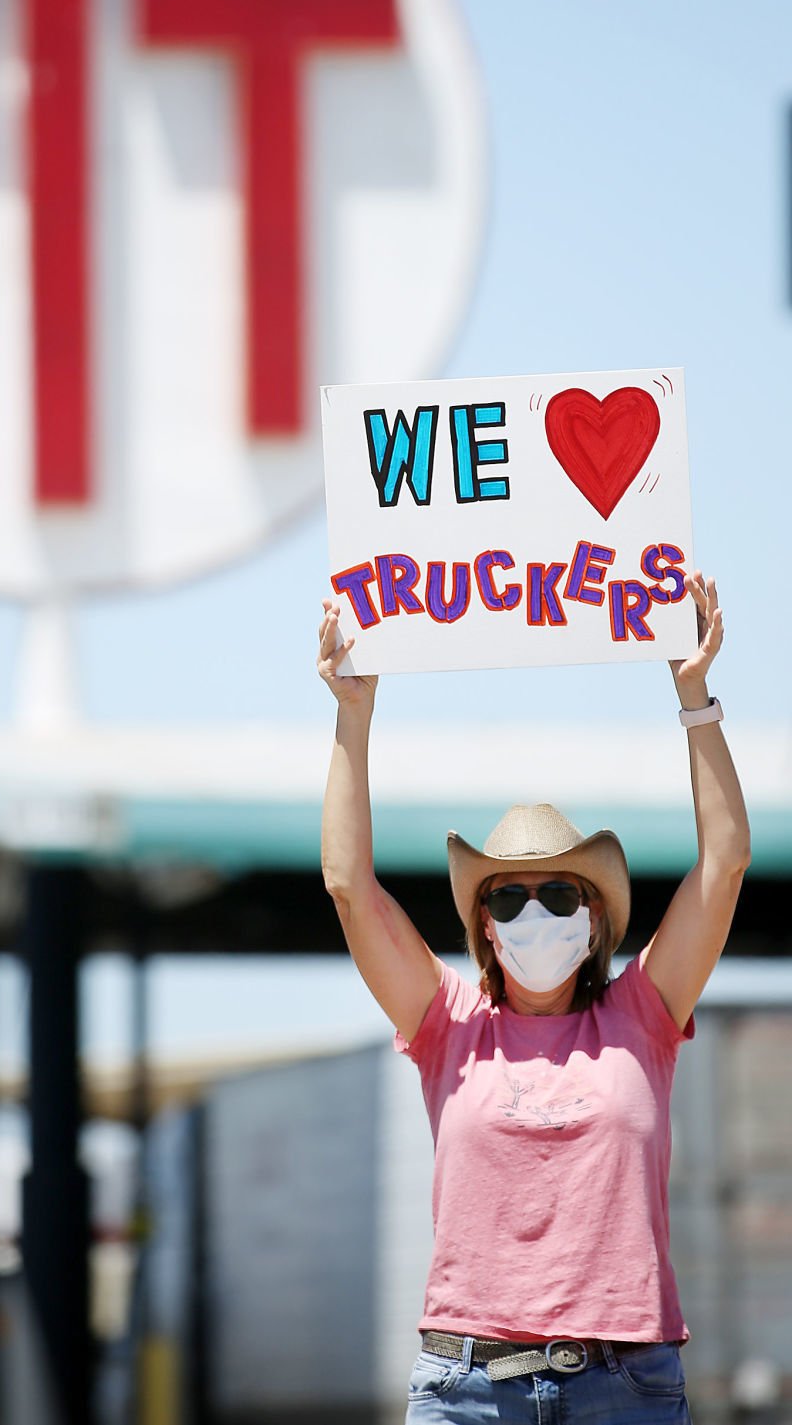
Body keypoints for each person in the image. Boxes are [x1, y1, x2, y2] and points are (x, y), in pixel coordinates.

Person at [317, 570, 749, 1423]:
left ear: (596, 920)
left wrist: (695, 693)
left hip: (626, 1386)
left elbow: (726, 861)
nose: (533, 912)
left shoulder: (642, 1016)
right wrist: (352, 711)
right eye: (508, 897)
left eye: (560, 895)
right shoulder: (447, 1024)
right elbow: (347, 884)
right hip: (465, 1387)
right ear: (483, 926)